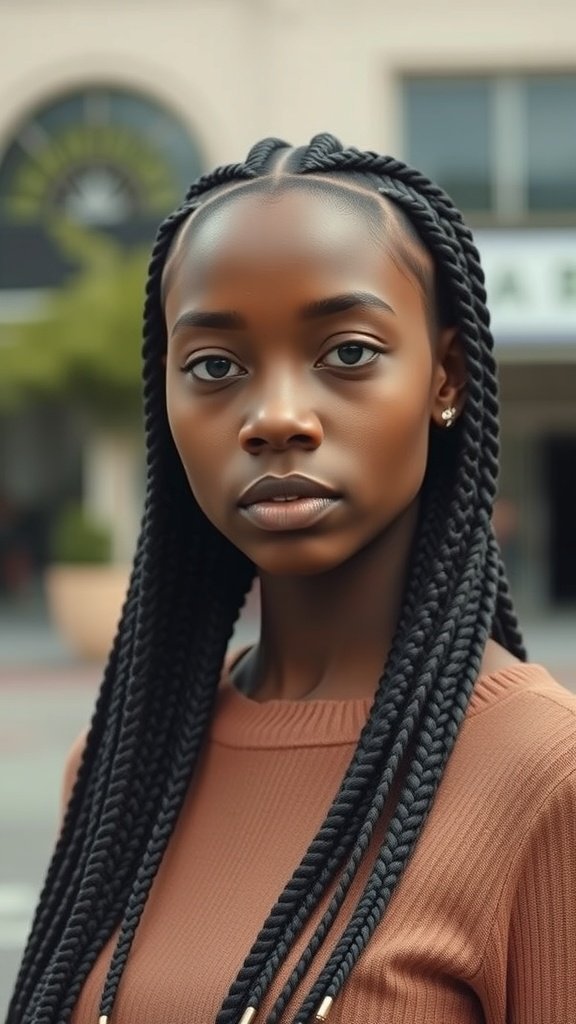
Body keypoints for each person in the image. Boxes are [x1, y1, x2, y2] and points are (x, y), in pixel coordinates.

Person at [8, 135, 576, 1024]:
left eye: (347, 353)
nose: (275, 418)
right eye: (214, 367)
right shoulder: (119, 770)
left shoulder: (545, 775)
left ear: (447, 377)